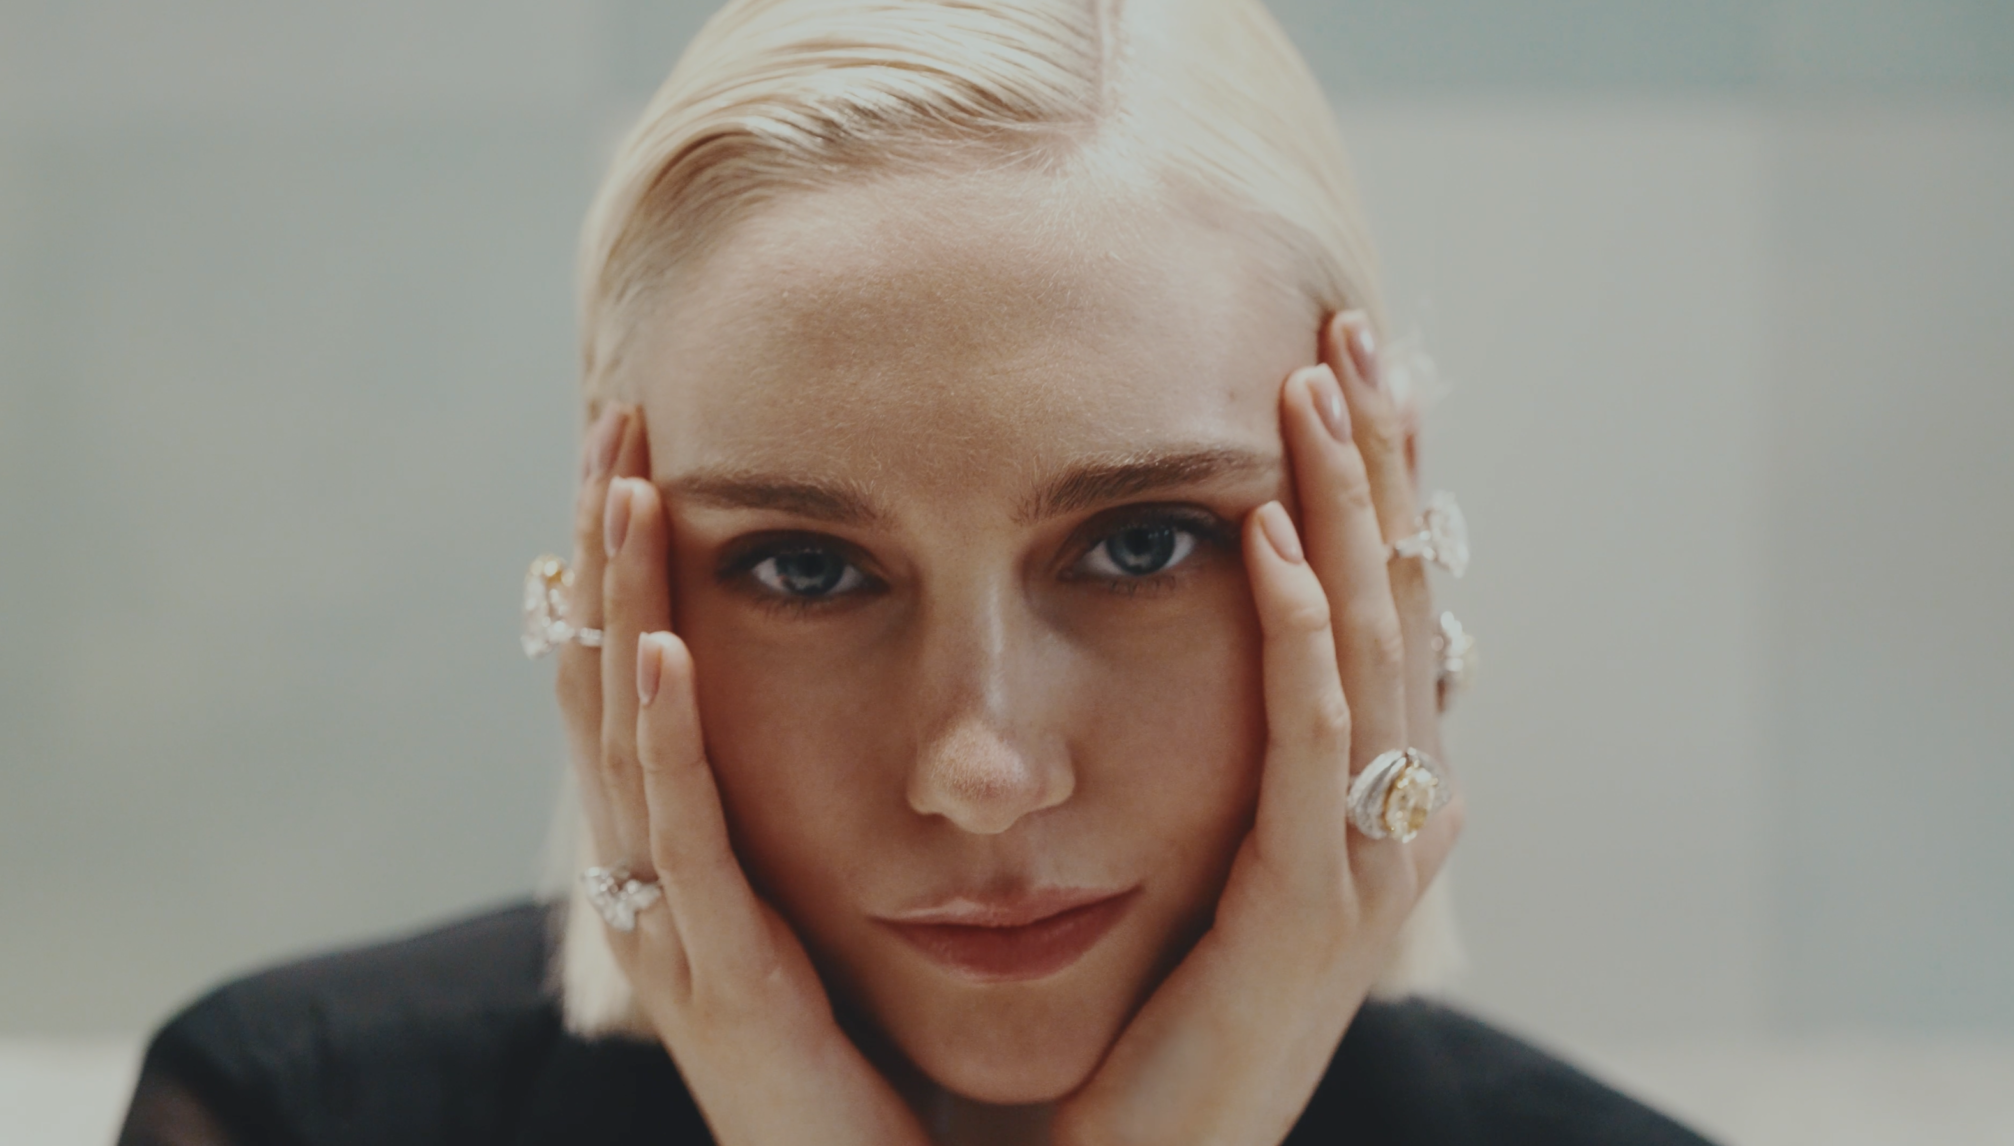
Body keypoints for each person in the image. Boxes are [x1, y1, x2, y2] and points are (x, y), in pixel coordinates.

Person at [118, 1, 1714, 1143]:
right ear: (617, 591)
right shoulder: (284, 1108)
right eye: (808, 567)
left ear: (1381, 549)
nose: (983, 770)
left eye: (1141, 542)